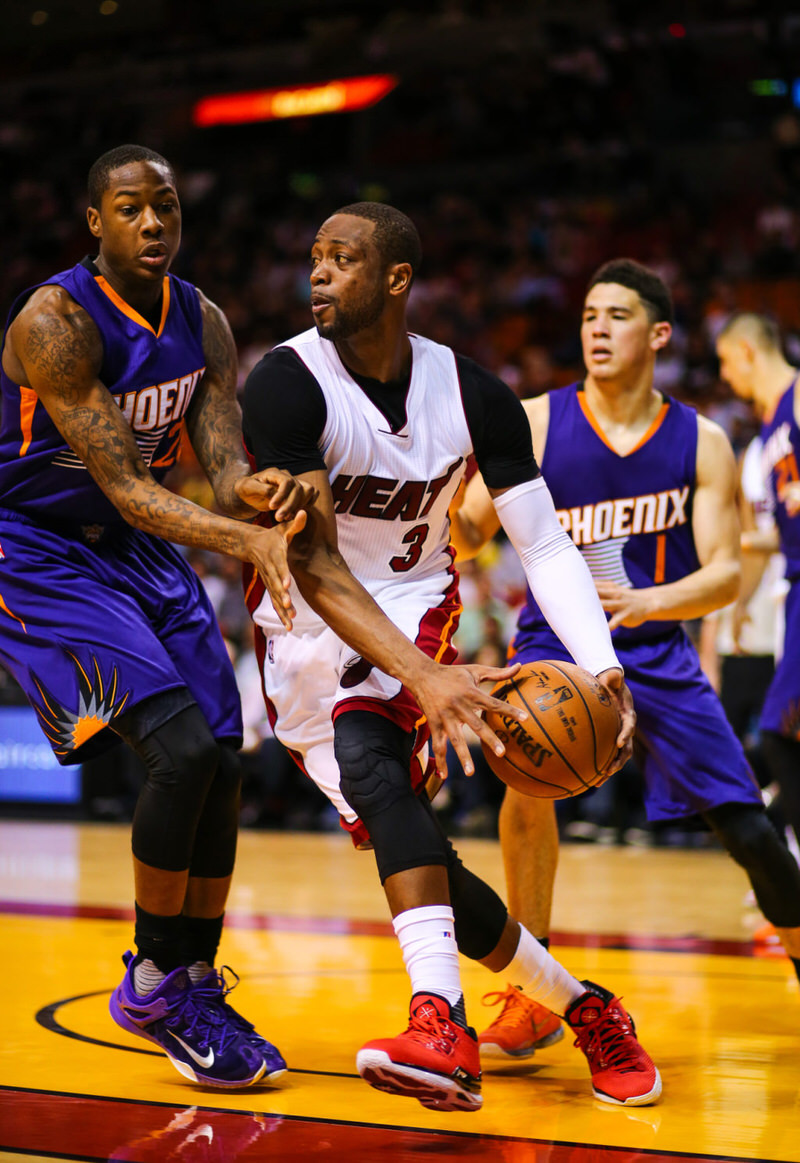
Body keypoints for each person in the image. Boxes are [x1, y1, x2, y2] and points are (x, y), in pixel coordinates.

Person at [0, 147, 534, 1092]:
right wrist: (247, 542)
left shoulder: (201, 319)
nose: (154, 222)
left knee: (222, 756)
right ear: (95, 223)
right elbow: (125, 487)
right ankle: (156, 976)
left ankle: (193, 978)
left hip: (140, 543)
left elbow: (215, 472)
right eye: (130, 208)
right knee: (181, 752)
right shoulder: (55, 321)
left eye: (166, 204)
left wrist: (262, 491)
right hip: (39, 544)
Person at [240, 203, 662, 1112]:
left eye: (342, 259)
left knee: (373, 758)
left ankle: (440, 1022)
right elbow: (312, 565)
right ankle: (588, 1009)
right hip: (305, 628)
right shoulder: (285, 383)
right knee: (421, 854)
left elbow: (545, 548)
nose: (317, 273)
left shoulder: (474, 393)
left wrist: (603, 669)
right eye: (313, 257)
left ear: (396, 279)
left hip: (414, 607)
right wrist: (424, 677)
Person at [451, 260, 800, 1060]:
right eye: (587, 316)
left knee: (748, 825)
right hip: (554, 648)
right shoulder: (536, 420)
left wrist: (650, 601)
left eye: (615, 315)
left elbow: (724, 570)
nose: (597, 329)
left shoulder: (700, 438)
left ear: (659, 335)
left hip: (654, 643)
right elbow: (469, 526)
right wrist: (447, 508)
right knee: (526, 786)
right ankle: (535, 989)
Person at [716, 312, 800, 865]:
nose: (725, 377)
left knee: (778, 731)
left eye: (725, 362)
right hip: (789, 588)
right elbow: (780, 528)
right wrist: (738, 581)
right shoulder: (766, 435)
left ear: (747, 351)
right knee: (782, 733)